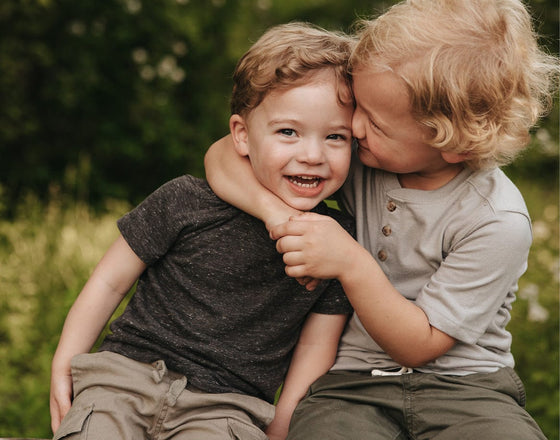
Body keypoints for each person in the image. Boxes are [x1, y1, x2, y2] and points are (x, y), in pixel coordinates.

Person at [204, 1, 559, 438]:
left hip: (468, 389)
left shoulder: (496, 220)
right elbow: (223, 155)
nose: (353, 128)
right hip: (352, 383)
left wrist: (350, 262)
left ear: (454, 145)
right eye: (359, 106)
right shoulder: (365, 159)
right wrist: (279, 217)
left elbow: (419, 345)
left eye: (375, 122)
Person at [50, 22, 357, 440]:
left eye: (335, 136)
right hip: (122, 381)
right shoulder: (184, 200)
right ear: (242, 135)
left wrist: (281, 427)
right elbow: (108, 282)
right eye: (288, 132)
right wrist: (66, 362)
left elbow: (315, 346)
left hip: (226, 409)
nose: (312, 155)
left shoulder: (337, 241)